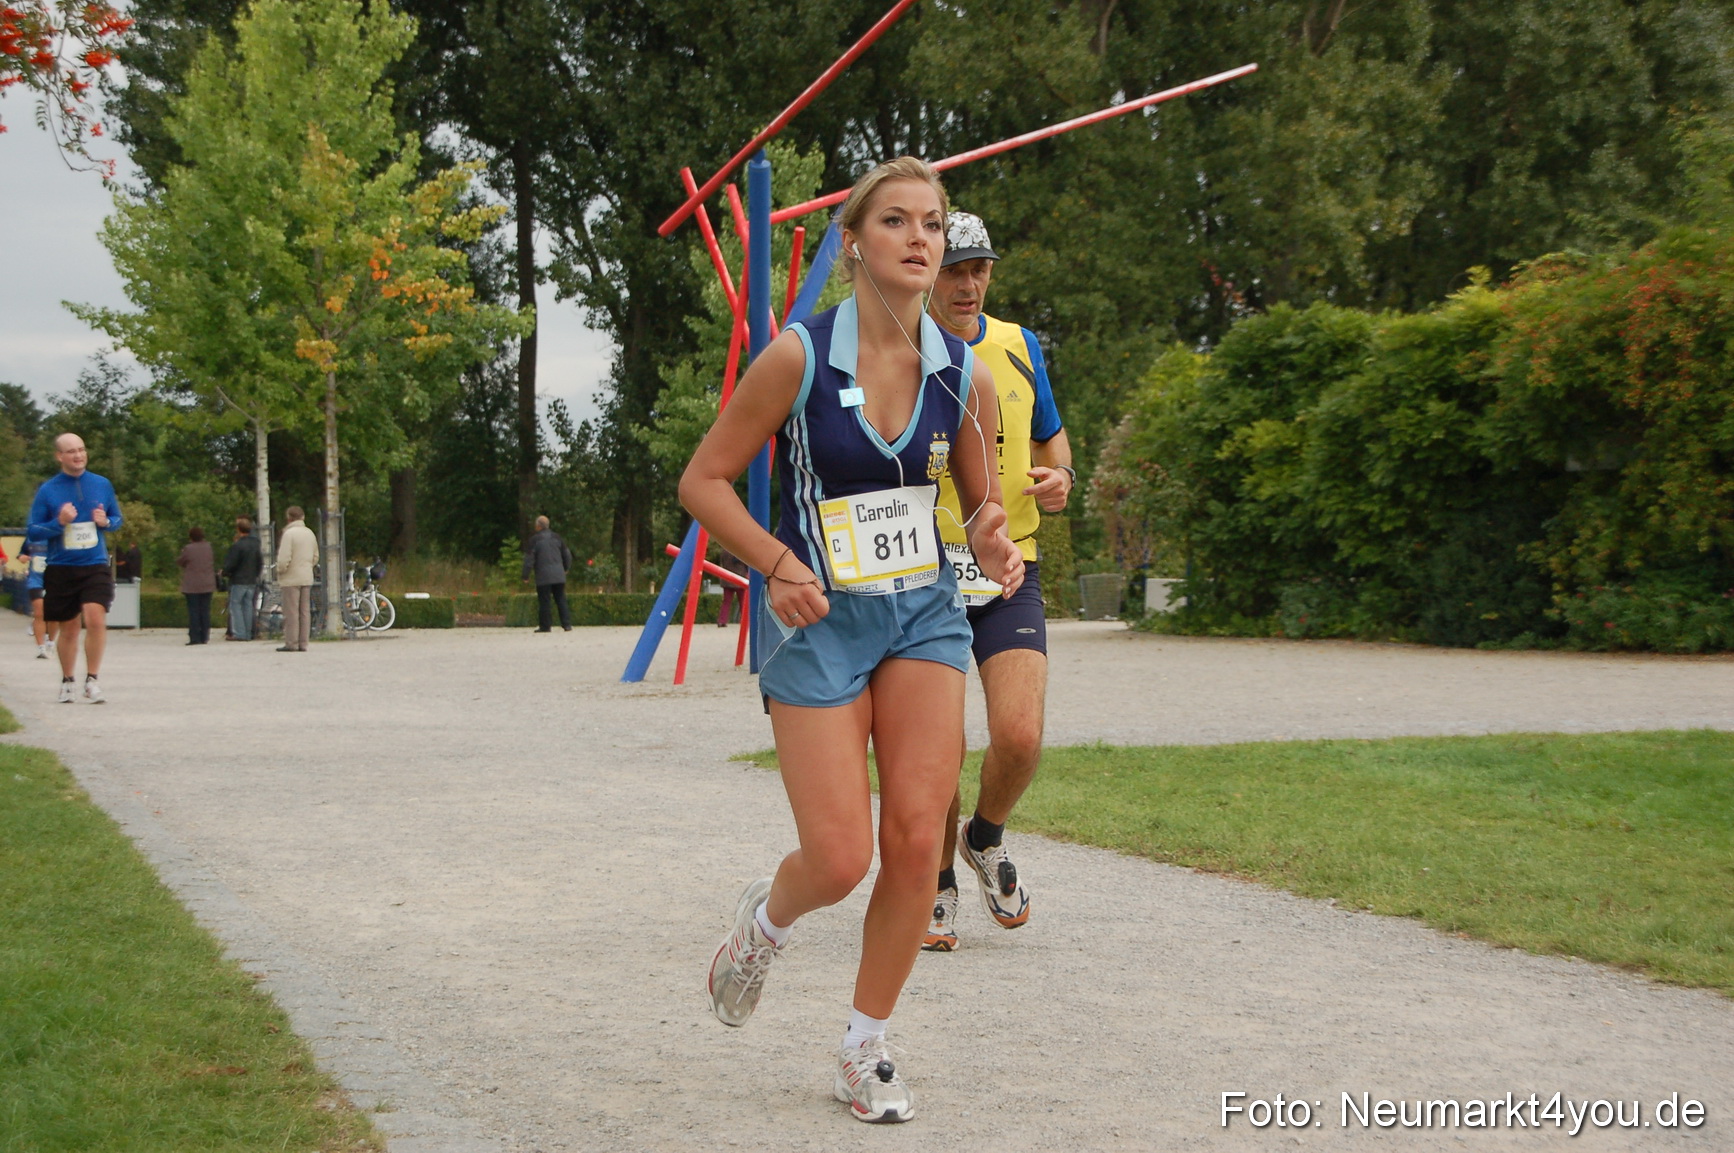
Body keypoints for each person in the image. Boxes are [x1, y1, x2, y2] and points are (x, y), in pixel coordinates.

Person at [680, 156, 1023, 1124]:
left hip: (921, 613)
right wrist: (777, 565)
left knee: (916, 839)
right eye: (898, 222)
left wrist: (992, 538)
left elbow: (979, 507)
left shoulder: (964, 376)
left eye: (933, 223)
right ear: (854, 241)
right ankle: (767, 921)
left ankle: (864, 1042)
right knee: (837, 857)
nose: (922, 240)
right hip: (819, 619)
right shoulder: (795, 356)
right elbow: (704, 482)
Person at [922, 211, 1075, 952]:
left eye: (979, 268)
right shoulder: (897, 351)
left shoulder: (1019, 345)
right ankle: (933, 882)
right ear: (926, 272)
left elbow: (1051, 432)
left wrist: (1062, 475)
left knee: (1020, 735)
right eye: (956, 267)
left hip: (1011, 566)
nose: (970, 282)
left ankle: (982, 837)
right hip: (921, 573)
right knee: (937, 744)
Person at [28, 433, 123, 703]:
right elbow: (34, 531)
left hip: (94, 564)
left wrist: (107, 522)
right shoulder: (48, 490)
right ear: (59, 456)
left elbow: (117, 518)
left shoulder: (102, 484)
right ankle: (68, 680)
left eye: (81, 450)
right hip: (62, 566)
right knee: (69, 628)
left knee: (95, 618)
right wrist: (59, 522)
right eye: (71, 451)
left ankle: (92, 679)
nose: (78, 455)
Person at [521, 515, 573, 632]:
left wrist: (525, 575)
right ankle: (567, 624)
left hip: (543, 575)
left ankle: (545, 626)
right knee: (561, 599)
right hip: (559, 575)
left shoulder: (534, 540)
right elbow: (567, 554)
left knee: (544, 601)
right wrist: (566, 568)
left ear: (538, 526)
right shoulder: (557, 537)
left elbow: (529, 559)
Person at [276, 507, 317, 652]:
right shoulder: (310, 533)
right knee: (305, 611)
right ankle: (303, 642)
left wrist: (280, 570)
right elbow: (315, 556)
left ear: (289, 518)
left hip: (291, 577)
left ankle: (291, 642)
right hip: (306, 576)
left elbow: (283, 558)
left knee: (291, 612)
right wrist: (307, 567)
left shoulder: (289, 534)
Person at [221, 517, 264, 641]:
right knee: (248, 606)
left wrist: (224, 572)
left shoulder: (238, 545)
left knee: (236, 606)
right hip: (251, 579)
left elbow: (231, 564)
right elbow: (259, 562)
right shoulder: (256, 545)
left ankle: (240, 633)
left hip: (238, 580)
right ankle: (249, 632)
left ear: (239, 530)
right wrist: (255, 575)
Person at [177, 526, 216, 645]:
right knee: (205, 610)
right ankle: (205, 636)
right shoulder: (209, 547)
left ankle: (195, 637)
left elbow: (181, 561)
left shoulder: (188, 548)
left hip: (192, 585)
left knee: (194, 611)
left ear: (191, 537)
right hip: (207, 583)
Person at [21, 540, 58, 658]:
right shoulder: (32, 536)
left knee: (53, 614)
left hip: (55, 579)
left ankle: (50, 642)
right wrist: (23, 557)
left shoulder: (58, 534)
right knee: (39, 613)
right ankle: (41, 648)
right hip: (35, 580)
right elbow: (22, 553)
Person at [714, 547, 748, 627]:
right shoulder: (740, 551)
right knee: (743, 602)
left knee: (726, 601)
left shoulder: (724, 551)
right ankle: (745, 621)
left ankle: (722, 620)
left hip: (726, 578)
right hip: (739, 578)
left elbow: (722, 562)